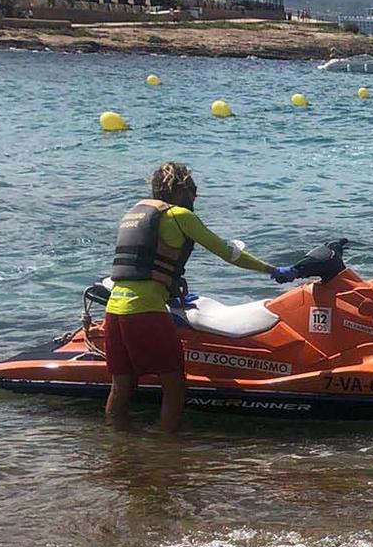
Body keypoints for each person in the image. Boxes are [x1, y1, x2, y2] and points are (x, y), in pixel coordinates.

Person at [103, 161, 298, 434]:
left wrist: (171, 283)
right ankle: (167, 450)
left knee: (122, 385)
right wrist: (272, 269)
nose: (196, 196)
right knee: (174, 385)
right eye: (193, 189)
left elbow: (141, 264)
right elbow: (227, 252)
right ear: (180, 189)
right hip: (145, 311)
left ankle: (117, 443)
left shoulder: (134, 213)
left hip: (114, 309)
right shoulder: (180, 215)